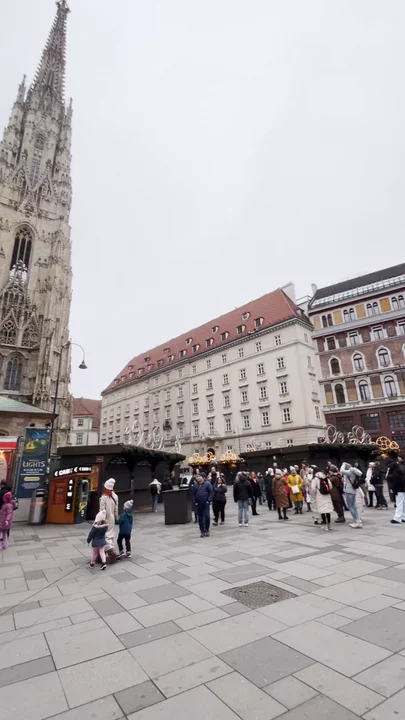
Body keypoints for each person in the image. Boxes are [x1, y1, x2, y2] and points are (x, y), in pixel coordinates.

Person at [99, 479, 119, 555]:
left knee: (104, 534)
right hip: (112, 518)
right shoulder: (115, 496)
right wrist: (116, 517)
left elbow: (101, 510)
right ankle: (111, 548)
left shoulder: (103, 497)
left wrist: (99, 520)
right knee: (111, 534)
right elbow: (116, 509)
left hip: (104, 518)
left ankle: (108, 549)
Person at [340, 462, 363, 528]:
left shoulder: (349, 472)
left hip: (349, 490)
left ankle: (356, 521)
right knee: (354, 506)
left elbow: (341, 470)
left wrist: (343, 464)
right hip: (353, 490)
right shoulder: (354, 471)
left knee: (350, 507)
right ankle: (358, 520)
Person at [388, 456, 405, 524]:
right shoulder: (401, 470)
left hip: (399, 489)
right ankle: (403, 517)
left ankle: (397, 518)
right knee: (403, 503)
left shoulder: (395, 472)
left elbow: (394, 481)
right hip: (403, 488)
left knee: (399, 503)